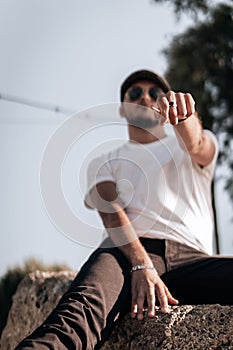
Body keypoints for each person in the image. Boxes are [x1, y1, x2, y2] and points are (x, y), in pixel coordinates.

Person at [15, 69, 233, 350]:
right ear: (122, 107)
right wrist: (141, 264)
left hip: (194, 259)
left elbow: (197, 143)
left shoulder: (186, 147)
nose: (144, 97)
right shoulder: (105, 161)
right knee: (77, 316)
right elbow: (110, 208)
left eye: (154, 93)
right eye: (135, 93)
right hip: (126, 253)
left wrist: (186, 117)